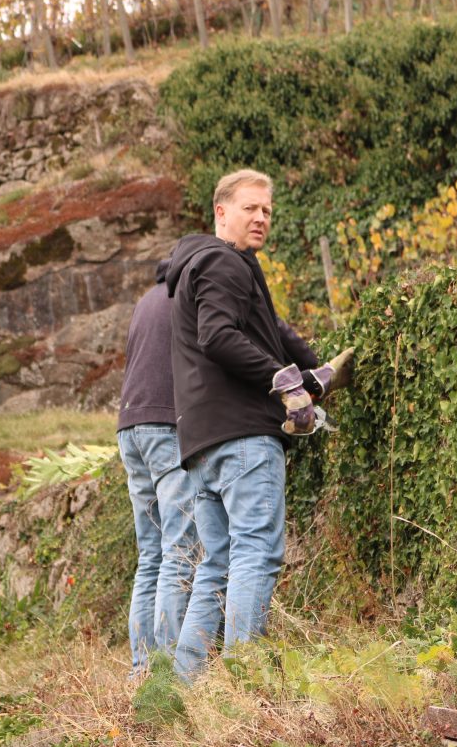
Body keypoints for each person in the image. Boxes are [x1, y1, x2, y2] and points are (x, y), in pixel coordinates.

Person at [165, 169, 352, 680]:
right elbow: (219, 336)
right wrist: (285, 381)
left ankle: (184, 691)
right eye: (250, 208)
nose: (261, 218)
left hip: (200, 442)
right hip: (244, 435)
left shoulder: (199, 269)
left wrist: (318, 371)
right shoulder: (225, 263)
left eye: (267, 210)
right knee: (256, 554)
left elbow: (272, 332)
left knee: (216, 567)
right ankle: (245, 683)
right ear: (221, 212)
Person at [117, 259, 199, 678]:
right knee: (178, 551)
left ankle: (142, 669)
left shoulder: (147, 300)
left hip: (130, 429)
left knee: (150, 556)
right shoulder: (191, 295)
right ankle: (168, 671)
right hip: (166, 426)